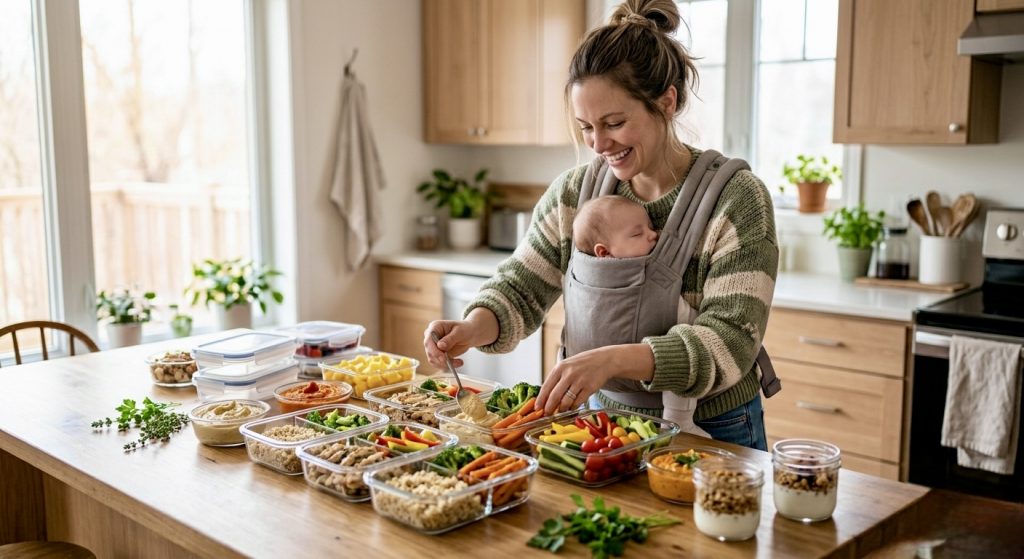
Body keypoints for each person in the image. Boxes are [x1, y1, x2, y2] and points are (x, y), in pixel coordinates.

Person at [423, 0, 779, 450]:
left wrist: (611, 361)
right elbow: (520, 287)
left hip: (714, 430)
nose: (598, 144)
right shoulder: (576, 192)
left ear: (667, 102)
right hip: (599, 424)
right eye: (586, 127)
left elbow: (730, 343)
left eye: (614, 123)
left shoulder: (736, 199)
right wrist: (474, 326)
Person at [572, 195, 710, 437]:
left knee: (680, 359)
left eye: (650, 227)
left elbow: (696, 326)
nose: (653, 234)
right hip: (601, 408)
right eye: (638, 234)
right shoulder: (588, 282)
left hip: (689, 398)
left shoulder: (655, 281)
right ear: (604, 253)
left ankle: (679, 420)